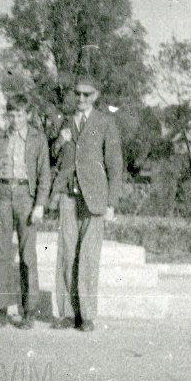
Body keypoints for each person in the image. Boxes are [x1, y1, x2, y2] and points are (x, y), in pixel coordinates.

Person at [49, 75, 122, 332]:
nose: (81, 99)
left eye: (86, 95)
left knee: (89, 257)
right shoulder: (64, 122)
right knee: (67, 254)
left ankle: (87, 315)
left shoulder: (105, 123)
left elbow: (115, 165)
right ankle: (68, 313)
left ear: (95, 96)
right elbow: (50, 155)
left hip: (95, 200)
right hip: (69, 196)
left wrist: (111, 202)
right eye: (77, 94)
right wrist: (60, 141)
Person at [0, 94, 51, 329]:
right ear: (7, 115)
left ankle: (29, 310)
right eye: (12, 114)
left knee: (27, 255)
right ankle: (0, 308)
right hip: (3, 197)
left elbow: (44, 176)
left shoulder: (37, 139)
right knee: (1, 251)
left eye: (20, 114)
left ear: (27, 114)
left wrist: (40, 205)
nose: (16, 118)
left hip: (26, 198)